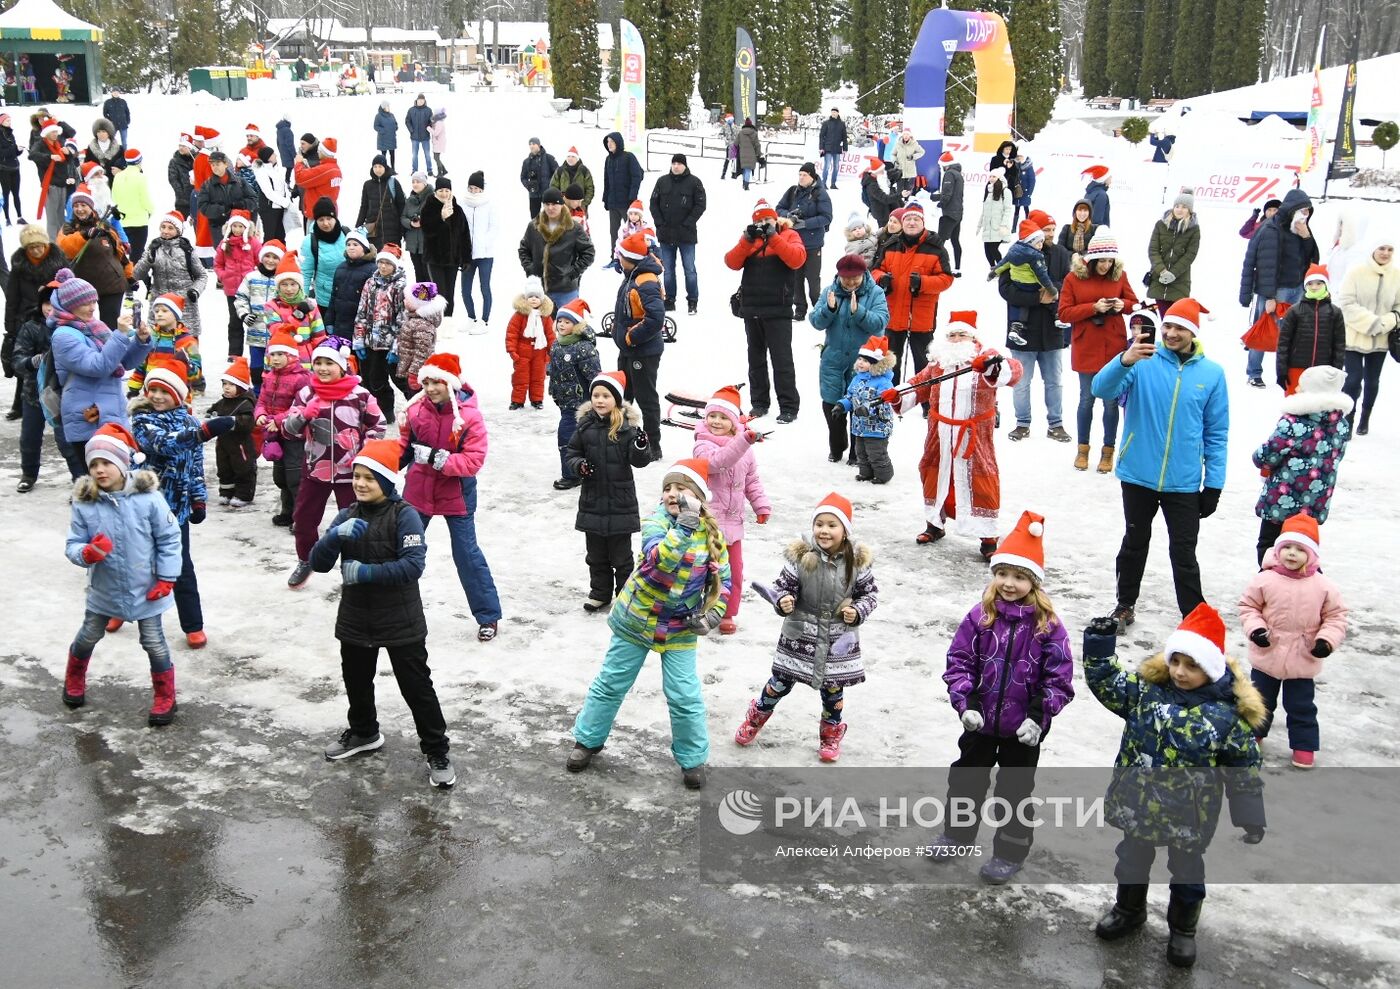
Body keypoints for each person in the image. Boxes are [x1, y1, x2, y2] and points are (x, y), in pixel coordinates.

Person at [1083, 605, 1265, 970]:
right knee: (1132, 859)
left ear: (1211, 669)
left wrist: (1250, 816)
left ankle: (1183, 930)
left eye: (1192, 666)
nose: (1180, 672)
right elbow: (1106, 682)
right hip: (1138, 804)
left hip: (1189, 815)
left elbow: (1243, 769)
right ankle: (1128, 910)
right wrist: (1100, 643)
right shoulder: (1145, 694)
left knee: (1186, 871)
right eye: (1176, 661)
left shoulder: (1226, 717)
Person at [568, 458, 730, 789]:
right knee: (611, 682)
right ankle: (587, 740)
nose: (672, 493)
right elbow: (659, 562)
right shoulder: (656, 524)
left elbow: (723, 581)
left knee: (684, 694)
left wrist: (714, 612)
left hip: (680, 627)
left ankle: (693, 759)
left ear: (699, 496)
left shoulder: (713, 536)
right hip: (637, 619)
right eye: (667, 488)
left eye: (681, 488)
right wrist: (683, 526)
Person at [929, 511, 1074, 882]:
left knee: (1015, 792)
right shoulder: (980, 616)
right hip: (979, 722)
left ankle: (1010, 852)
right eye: (1002, 573)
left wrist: (1038, 717)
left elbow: (1059, 679)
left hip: (1022, 729)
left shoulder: (1049, 627)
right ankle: (956, 835)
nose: (1009, 583)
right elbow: (959, 662)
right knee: (965, 781)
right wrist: (965, 703)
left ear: (1034, 581)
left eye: (1019, 576)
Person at [310, 439, 456, 788]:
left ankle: (437, 750)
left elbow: (412, 566)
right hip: (356, 618)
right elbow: (318, 563)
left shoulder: (404, 515)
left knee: (417, 687)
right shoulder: (347, 515)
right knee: (357, 681)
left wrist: (366, 572)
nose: (360, 484)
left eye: (370, 478)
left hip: (400, 619)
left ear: (387, 482)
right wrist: (333, 538)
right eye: (357, 476)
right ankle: (364, 732)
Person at [1091, 298, 1228, 631]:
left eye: (1180, 327)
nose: (1171, 333)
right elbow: (1100, 388)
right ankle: (1124, 605)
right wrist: (1124, 360)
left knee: (1184, 550)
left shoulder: (1211, 374)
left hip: (1183, 481)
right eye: (1167, 325)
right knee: (1134, 543)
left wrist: (1213, 484)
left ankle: (1194, 614)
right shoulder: (1141, 361)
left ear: (1193, 333)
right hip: (1138, 474)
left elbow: (1216, 431)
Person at [735, 491, 876, 762]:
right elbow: (782, 587)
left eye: (832, 525)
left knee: (833, 691)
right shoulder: (801, 557)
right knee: (779, 683)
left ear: (844, 531)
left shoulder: (856, 563)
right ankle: (756, 717)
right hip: (801, 635)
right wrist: (784, 601)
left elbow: (869, 596)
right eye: (819, 524)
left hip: (837, 639)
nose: (824, 530)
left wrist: (857, 612)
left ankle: (831, 734)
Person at [63, 423, 183, 724]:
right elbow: (73, 543)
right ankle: (74, 677)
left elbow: (169, 538)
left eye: (107, 463)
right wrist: (86, 553)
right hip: (105, 588)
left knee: (154, 643)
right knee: (89, 634)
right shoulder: (85, 502)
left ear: (123, 463)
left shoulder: (148, 498)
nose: (100, 470)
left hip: (147, 587)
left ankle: (165, 696)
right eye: (94, 464)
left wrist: (166, 578)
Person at [880, 312, 1021, 557]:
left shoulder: (985, 360)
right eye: (951, 335)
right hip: (940, 432)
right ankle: (934, 524)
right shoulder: (938, 363)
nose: (956, 339)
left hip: (973, 435)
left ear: (972, 337)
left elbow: (1013, 372)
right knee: (934, 473)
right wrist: (898, 394)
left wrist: (991, 365)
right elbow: (919, 384)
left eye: (962, 334)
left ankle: (988, 537)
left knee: (981, 479)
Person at [130, 358, 234, 650]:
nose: (158, 396)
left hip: (176, 513)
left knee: (181, 567)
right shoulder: (142, 421)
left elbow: (195, 466)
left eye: (165, 391)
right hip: (144, 508)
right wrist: (202, 432)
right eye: (153, 390)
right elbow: (163, 443)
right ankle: (121, 609)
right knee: (139, 564)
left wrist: (199, 498)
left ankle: (193, 625)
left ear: (178, 394)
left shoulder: (189, 421)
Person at [398, 353, 503, 643]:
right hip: (418, 491)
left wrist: (438, 459)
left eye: (437, 382)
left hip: (456, 494)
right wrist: (382, 464)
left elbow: (473, 461)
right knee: (403, 550)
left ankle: (488, 615)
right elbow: (403, 447)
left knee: (466, 554)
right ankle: (392, 610)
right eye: (427, 382)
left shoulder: (469, 416)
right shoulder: (415, 409)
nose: (431, 388)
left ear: (451, 383)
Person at [1238, 514, 1349, 770]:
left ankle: (1304, 745)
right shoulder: (1264, 579)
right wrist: (1256, 629)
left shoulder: (1324, 586)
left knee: (1301, 705)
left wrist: (1325, 641)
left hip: (1303, 656)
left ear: (1312, 554)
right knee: (1259, 701)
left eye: (1300, 549)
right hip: (1268, 652)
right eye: (1286, 547)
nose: (1291, 553)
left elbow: (1336, 617)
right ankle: (1253, 735)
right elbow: (1248, 607)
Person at [281, 337, 386, 588]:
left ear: (342, 366)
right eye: (318, 363)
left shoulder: (360, 395)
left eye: (329, 362)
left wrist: (363, 453)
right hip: (315, 468)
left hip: (351, 472)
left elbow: (378, 425)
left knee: (355, 523)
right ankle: (305, 560)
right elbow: (288, 431)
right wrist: (304, 417)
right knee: (304, 519)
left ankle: (354, 566)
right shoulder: (306, 393)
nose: (323, 368)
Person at [566, 370, 653, 610]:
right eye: (596, 395)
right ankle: (600, 593)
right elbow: (571, 454)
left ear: (616, 399)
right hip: (592, 502)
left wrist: (641, 446)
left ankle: (625, 597)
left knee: (621, 558)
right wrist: (579, 466)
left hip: (620, 503)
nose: (600, 400)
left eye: (606, 395)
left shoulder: (627, 429)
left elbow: (640, 461)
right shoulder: (585, 427)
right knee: (595, 556)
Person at [1251, 364, 1352, 565]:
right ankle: (1306, 589)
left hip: (1282, 500)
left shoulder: (1294, 422)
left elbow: (1267, 455)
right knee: (1304, 550)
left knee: (1269, 546)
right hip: (1315, 503)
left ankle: (1270, 588)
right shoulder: (1341, 424)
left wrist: (1258, 457)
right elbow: (1337, 456)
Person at [690, 385, 771, 634]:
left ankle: (727, 612)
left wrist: (760, 505)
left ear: (734, 421)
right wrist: (744, 441)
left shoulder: (745, 451)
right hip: (708, 526)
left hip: (733, 526)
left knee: (734, 573)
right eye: (712, 416)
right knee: (700, 571)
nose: (716, 421)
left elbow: (752, 481)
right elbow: (716, 463)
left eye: (723, 417)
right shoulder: (702, 445)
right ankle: (696, 609)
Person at [1059, 227, 1138, 473]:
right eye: (1101, 260)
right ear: (1091, 259)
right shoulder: (1073, 278)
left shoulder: (1120, 275)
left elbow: (1134, 304)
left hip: (1113, 346)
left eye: (1109, 260)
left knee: (1111, 402)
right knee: (1086, 399)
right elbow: (1064, 313)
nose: (1105, 265)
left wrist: (1120, 304)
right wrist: (1093, 308)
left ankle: (1108, 451)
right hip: (1086, 345)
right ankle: (1083, 449)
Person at [50, 268, 152, 447]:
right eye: (85, 303)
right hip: (89, 418)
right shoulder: (63, 336)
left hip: (111, 413)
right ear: (70, 305)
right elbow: (99, 366)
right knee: (96, 474)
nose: (92, 307)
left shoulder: (95, 327)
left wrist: (141, 341)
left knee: (118, 474)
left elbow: (122, 363)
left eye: (93, 302)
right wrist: (119, 334)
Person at [725, 199, 807, 423]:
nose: (763, 223)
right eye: (759, 220)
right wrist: (746, 240)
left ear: (775, 219)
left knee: (782, 360)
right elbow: (731, 262)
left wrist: (774, 237)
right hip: (752, 307)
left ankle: (789, 406)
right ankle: (759, 402)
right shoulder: (750, 240)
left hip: (778, 308)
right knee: (756, 358)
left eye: (767, 219)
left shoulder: (788, 235)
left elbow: (797, 259)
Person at [999, 212, 1072, 442]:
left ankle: (1056, 423)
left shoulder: (1061, 253)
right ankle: (1022, 423)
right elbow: (1005, 289)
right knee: (1021, 381)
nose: (1050, 234)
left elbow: (1070, 283)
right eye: (1046, 230)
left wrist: (1052, 291)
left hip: (1052, 328)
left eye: (1052, 229)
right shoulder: (1016, 253)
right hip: (1022, 328)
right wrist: (1035, 298)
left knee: (1054, 381)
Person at [811, 253, 889, 462]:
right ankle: (837, 447)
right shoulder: (830, 291)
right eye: (847, 279)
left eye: (856, 278)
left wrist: (859, 312)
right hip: (833, 358)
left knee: (860, 405)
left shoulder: (876, 293)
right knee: (831, 403)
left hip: (864, 361)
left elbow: (880, 322)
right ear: (839, 276)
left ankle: (858, 451)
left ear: (864, 274)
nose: (851, 282)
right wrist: (829, 309)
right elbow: (816, 321)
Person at [1238, 188, 1318, 388]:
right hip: (1275, 290)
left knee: (1290, 333)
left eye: (1308, 212)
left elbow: (1313, 260)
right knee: (1264, 330)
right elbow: (1266, 265)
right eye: (1302, 211)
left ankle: (1287, 372)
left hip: (1297, 287)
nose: (1305, 215)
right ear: (1292, 209)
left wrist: (1307, 237)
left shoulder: (1300, 228)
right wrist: (1269, 296)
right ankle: (1254, 372)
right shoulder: (1271, 229)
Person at [871, 201, 955, 388]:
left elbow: (946, 278)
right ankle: (889, 396)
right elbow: (875, 271)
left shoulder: (935, 247)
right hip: (893, 314)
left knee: (923, 362)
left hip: (921, 317)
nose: (911, 223)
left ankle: (926, 401)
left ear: (923, 222)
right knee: (890, 360)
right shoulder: (891, 244)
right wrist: (882, 279)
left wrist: (923, 283)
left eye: (916, 219)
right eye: (908, 219)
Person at [13, 282, 75, 489]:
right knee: (30, 437)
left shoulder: (72, 327)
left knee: (67, 440)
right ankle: (28, 474)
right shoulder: (30, 327)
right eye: (46, 303)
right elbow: (18, 361)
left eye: (55, 303)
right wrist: (32, 362)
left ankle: (79, 477)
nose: (50, 308)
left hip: (64, 395)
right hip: (34, 393)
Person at [1336, 233, 1397, 435]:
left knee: (1372, 381)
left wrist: (1384, 323)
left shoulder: (1397, 275)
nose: (1385, 253)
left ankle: (1365, 418)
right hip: (1354, 336)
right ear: (1373, 250)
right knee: (1353, 379)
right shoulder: (1357, 272)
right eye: (1382, 248)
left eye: (1390, 249)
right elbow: (1346, 302)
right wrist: (1371, 322)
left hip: (1381, 339)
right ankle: (1348, 420)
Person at [613, 229, 666, 451]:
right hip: (629, 350)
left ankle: (653, 444)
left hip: (642, 351)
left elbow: (655, 319)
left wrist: (631, 337)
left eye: (620, 256)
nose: (618, 259)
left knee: (646, 398)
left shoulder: (645, 281)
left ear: (630, 259)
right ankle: (622, 435)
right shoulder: (632, 275)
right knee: (623, 394)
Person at [5, 224, 64, 422]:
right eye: (32, 247)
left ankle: (58, 405)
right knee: (26, 365)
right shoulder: (19, 266)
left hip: (53, 317)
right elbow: (12, 297)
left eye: (40, 246)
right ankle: (19, 405)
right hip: (26, 321)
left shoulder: (57, 263)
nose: (37, 250)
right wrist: (10, 326)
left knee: (55, 364)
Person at [253, 332, 312, 526]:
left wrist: (278, 420)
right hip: (274, 433)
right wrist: (260, 414)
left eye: (280, 354)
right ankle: (287, 511)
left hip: (294, 433)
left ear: (292, 356)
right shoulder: (269, 376)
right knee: (281, 476)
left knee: (295, 476)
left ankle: (301, 517)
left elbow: (301, 407)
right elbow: (261, 400)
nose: (275, 359)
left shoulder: (301, 378)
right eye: (272, 354)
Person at [55, 186, 133, 328]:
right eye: (76, 206)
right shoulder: (68, 228)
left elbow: (120, 253)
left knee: (109, 326)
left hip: (111, 284)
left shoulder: (104, 226)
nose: (79, 209)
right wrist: (84, 235)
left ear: (91, 207)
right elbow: (64, 247)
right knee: (83, 326)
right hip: (82, 288)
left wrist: (129, 276)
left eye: (83, 205)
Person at [546, 298, 601, 490]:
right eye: (560, 321)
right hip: (563, 400)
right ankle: (586, 469)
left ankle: (571, 475)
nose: (562, 324)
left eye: (567, 322)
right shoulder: (557, 344)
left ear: (577, 325)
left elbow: (594, 376)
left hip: (579, 402)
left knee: (566, 437)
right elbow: (554, 368)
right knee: (582, 437)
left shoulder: (584, 348)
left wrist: (596, 399)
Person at [352, 242, 408, 418]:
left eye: (388, 263)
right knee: (370, 378)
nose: (383, 267)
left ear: (395, 265)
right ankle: (378, 411)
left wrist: (397, 346)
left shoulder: (400, 286)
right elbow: (361, 312)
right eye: (381, 262)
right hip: (370, 341)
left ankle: (398, 409)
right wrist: (359, 339)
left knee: (394, 379)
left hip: (389, 343)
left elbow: (403, 319)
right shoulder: (371, 283)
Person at [518, 186, 593, 312]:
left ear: (562, 204)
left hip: (566, 290)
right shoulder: (533, 226)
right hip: (540, 290)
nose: (550, 208)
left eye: (554, 204)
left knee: (570, 327)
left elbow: (589, 252)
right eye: (547, 204)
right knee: (543, 329)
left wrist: (572, 273)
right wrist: (530, 269)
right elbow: (524, 250)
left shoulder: (574, 228)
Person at [133, 209, 207, 338]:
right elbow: (136, 275)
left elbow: (202, 275)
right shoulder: (153, 248)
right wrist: (147, 260)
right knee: (158, 350)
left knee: (186, 348)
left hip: (185, 306)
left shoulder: (187, 250)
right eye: (163, 227)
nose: (165, 231)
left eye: (170, 228)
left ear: (178, 231)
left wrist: (195, 291)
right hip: (160, 306)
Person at [1275, 263, 1346, 395]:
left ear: (1326, 285)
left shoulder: (1335, 312)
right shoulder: (1294, 311)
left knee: (1319, 410)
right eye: (1310, 283)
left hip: (1323, 371)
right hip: (1296, 369)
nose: (1314, 287)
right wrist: (1281, 370)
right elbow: (1283, 342)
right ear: (1305, 285)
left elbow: (1339, 345)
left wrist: (1337, 371)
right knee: (1295, 408)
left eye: (1319, 283)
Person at [649, 153, 707, 315]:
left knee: (689, 269)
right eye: (674, 163)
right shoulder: (662, 181)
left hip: (686, 235)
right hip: (666, 234)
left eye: (679, 163)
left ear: (685, 165)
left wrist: (688, 222)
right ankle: (670, 299)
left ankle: (692, 300)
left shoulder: (694, 182)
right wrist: (659, 222)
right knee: (668, 270)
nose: (676, 166)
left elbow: (700, 205)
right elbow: (653, 203)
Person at [836, 335, 897, 484]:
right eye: (860, 359)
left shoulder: (884, 382)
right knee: (861, 452)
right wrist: (842, 405)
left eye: (866, 361)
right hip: (859, 425)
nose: (861, 363)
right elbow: (851, 396)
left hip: (877, 426)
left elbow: (884, 402)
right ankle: (866, 473)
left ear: (876, 364)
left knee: (876, 452)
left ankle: (883, 475)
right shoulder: (858, 378)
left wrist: (868, 409)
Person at [775, 162, 833, 320]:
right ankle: (800, 308)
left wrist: (806, 223)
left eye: (804, 175)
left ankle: (819, 308)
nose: (801, 178)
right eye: (799, 174)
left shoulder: (820, 194)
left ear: (812, 176)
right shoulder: (792, 191)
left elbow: (827, 217)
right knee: (795, 278)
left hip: (813, 244)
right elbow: (778, 208)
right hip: (794, 243)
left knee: (813, 280)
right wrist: (789, 215)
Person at [126, 292, 203, 399]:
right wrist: (133, 389)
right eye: (156, 311)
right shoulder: (150, 337)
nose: (159, 314)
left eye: (165, 311)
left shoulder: (188, 341)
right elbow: (141, 364)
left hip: (178, 397)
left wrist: (186, 363)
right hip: (152, 395)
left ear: (176, 314)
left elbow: (196, 374)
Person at [234, 239, 284, 389]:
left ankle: (274, 395)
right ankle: (257, 393)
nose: (271, 260)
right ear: (262, 257)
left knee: (275, 367)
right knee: (256, 368)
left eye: (275, 258)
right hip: (255, 332)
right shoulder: (251, 277)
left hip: (277, 335)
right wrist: (244, 314)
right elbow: (241, 297)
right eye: (267, 256)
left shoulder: (282, 280)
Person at [263, 251, 326, 368]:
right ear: (278, 286)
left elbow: (319, 335)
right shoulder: (271, 306)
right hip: (279, 361)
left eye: (293, 284)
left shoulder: (310, 305)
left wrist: (320, 358)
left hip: (305, 361)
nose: (289, 289)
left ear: (299, 285)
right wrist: (298, 315)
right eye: (284, 284)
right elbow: (278, 332)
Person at [212, 211, 261, 359]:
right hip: (232, 290)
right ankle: (234, 352)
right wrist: (223, 276)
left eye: (240, 226)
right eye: (235, 226)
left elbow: (260, 260)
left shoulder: (253, 243)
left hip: (251, 290)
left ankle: (258, 350)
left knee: (255, 320)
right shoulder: (224, 244)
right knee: (235, 321)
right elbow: (218, 264)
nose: (237, 230)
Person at [421, 177, 470, 319]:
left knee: (450, 292)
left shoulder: (458, 210)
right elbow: (427, 230)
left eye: (447, 190)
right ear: (436, 191)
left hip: (452, 260)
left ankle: (448, 320)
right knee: (439, 292)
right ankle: (438, 320)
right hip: (435, 258)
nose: (444, 193)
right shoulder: (429, 208)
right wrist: (441, 218)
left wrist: (466, 258)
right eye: (441, 190)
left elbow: (464, 236)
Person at [1147, 189, 1201, 317]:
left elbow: (1190, 254)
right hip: (1158, 279)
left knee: (1175, 319)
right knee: (1163, 319)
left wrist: (1173, 273)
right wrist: (1162, 271)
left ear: (1190, 210)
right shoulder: (1160, 225)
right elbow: (1153, 250)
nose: (1179, 209)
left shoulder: (1194, 229)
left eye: (1184, 207)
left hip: (1180, 281)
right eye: (1177, 206)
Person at [505, 275, 554, 410]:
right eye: (531, 297)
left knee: (538, 377)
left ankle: (537, 399)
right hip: (522, 351)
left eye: (537, 297)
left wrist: (552, 352)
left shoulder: (545, 317)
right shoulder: (519, 315)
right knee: (520, 377)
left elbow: (550, 335)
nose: (534, 299)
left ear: (542, 300)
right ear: (525, 299)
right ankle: (517, 400)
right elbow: (512, 333)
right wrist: (512, 350)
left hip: (540, 351)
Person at [197, 150, 257, 248]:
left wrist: (240, 205)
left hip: (240, 228)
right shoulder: (207, 185)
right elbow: (203, 207)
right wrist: (222, 209)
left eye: (218, 164)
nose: (215, 167)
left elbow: (253, 200)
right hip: (219, 229)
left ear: (225, 164)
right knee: (224, 257)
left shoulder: (240, 181)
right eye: (212, 165)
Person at [29, 115, 77, 240]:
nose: (56, 134)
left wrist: (69, 154)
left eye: (56, 131)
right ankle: (53, 244)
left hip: (62, 184)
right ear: (47, 132)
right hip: (50, 185)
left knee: (61, 217)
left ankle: (62, 242)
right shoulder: (40, 144)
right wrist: (49, 157)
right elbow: (32, 155)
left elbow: (68, 160)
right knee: (52, 219)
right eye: (53, 131)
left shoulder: (59, 144)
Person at [328, 227, 376, 350]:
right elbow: (333, 297)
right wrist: (329, 320)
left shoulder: (372, 270)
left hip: (358, 328)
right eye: (348, 244)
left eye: (355, 244)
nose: (351, 247)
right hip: (339, 324)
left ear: (364, 248)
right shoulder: (340, 268)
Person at [460, 170, 496, 330]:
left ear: (482, 189)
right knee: (465, 289)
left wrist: (483, 243)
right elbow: (459, 227)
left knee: (484, 287)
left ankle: (484, 320)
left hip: (485, 254)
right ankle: (471, 318)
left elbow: (494, 227)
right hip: (467, 254)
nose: (474, 191)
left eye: (477, 188)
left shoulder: (489, 204)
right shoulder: (462, 204)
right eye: (471, 188)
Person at [301, 197, 348, 319]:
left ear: (335, 218)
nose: (326, 223)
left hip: (349, 296)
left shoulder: (347, 233)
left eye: (329, 218)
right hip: (325, 298)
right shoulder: (310, 241)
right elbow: (306, 273)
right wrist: (302, 299)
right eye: (321, 219)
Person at [395, 280, 443, 396]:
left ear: (417, 303)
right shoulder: (414, 319)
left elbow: (422, 352)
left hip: (418, 374)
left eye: (407, 299)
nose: (404, 301)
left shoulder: (422, 325)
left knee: (418, 399)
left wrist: (414, 374)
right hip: (410, 368)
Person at [601, 131, 643, 250]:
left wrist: (632, 196)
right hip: (613, 202)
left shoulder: (628, 157)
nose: (609, 144)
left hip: (627, 203)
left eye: (612, 142)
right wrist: (605, 199)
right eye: (608, 142)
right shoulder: (608, 159)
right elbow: (606, 180)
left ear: (618, 143)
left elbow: (637, 176)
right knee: (613, 232)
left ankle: (633, 255)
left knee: (631, 231)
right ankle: (615, 257)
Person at [355, 155, 405, 251]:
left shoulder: (393, 183)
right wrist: (358, 227)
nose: (377, 169)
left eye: (380, 167)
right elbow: (364, 207)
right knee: (375, 261)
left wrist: (403, 230)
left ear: (385, 167)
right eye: (375, 167)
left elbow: (401, 206)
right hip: (373, 231)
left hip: (392, 231)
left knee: (392, 261)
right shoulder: (367, 185)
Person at [111, 148, 152, 259]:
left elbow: (114, 197)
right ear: (139, 161)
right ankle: (137, 275)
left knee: (122, 253)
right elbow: (145, 199)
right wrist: (150, 210)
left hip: (122, 221)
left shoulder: (118, 177)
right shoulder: (141, 177)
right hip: (139, 221)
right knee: (137, 254)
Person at [293, 137, 343, 225]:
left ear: (324, 152)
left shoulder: (325, 169)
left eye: (320, 150)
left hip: (318, 217)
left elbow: (300, 179)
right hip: (328, 214)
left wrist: (298, 163)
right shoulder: (335, 169)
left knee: (313, 239)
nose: (318, 152)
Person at [931, 151, 964, 275]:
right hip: (958, 213)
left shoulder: (949, 174)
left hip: (949, 213)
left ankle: (938, 267)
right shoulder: (958, 174)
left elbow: (947, 194)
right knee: (955, 241)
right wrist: (935, 197)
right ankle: (957, 268)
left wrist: (940, 203)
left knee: (939, 242)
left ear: (945, 165)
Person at [251, 147, 291, 245]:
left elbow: (282, 187)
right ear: (268, 157)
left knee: (280, 235)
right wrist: (285, 202)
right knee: (270, 236)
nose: (276, 156)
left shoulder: (275, 169)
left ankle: (281, 257)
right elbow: (268, 192)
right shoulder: (261, 171)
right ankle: (266, 257)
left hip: (279, 207)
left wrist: (287, 198)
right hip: (269, 209)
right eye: (273, 154)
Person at [401, 171, 432, 284]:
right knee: (418, 273)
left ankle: (431, 299)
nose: (415, 184)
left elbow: (435, 218)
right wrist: (411, 223)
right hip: (413, 243)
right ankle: (420, 299)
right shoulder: (410, 200)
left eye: (418, 181)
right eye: (413, 182)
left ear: (424, 183)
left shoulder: (432, 198)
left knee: (428, 274)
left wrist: (423, 221)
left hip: (427, 243)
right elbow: (403, 217)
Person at [976, 178, 1013, 268]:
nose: (991, 178)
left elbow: (1008, 210)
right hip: (987, 226)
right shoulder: (988, 191)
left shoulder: (1006, 191)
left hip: (998, 226)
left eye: (994, 176)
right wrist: (979, 225)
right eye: (990, 176)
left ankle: (1001, 269)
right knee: (987, 250)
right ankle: (993, 268)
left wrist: (1003, 225)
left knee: (993, 249)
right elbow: (984, 211)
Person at [519, 136, 557, 219]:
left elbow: (557, 174)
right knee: (534, 219)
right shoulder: (526, 161)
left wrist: (552, 187)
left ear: (539, 145)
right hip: (534, 195)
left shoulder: (549, 158)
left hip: (548, 194)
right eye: (530, 144)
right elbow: (523, 177)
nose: (531, 146)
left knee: (550, 217)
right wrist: (529, 185)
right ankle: (536, 232)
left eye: (534, 144)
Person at [860, 158, 902, 228]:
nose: (884, 172)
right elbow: (885, 199)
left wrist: (899, 169)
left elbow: (892, 175)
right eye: (881, 171)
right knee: (885, 233)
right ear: (876, 172)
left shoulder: (881, 178)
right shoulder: (872, 186)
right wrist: (901, 195)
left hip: (889, 210)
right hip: (882, 214)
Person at [0, 112, 25, 226]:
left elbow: (13, 152)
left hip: (15, 167)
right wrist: (13, 148)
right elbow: (2, 153)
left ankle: (19, 216)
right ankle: (7, 218)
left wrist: (19, 150)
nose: (9, 122)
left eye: (10, 120)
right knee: (6, 194)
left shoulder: (11, 134)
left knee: (16, 194)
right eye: (7, 121)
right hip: (4, 169)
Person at [818, 108, 848, 189]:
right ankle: (823, 183)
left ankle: (833, 184)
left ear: (838, 113)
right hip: (827, 148)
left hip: (837, 148)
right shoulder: (826, 123)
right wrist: (821, 147)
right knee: (827, 166)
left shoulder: (842, 124)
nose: (833, 113)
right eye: (832, 112)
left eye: (835, 112)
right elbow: (821, 136)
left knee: (836, 167)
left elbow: (844, 137)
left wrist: (845, 148)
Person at [404, 95, 433, 176]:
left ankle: (430, 170)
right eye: (419, 100)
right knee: (414, 155)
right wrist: (411, 130)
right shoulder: (411, 110)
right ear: (416, 100)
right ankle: (414, 170)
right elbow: (407, 121)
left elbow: (432, 121)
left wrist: (429, 128)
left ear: (424, 101)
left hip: (425, 137)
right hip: (415, 137)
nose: (420, 101)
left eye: (422, 100)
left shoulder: (428, 110)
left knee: (427, 154)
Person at [891, 129, 924, 194]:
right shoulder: (898, 144)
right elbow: (893, 154)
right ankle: (900, 203)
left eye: (907, 134)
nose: (906, 136)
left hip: (910, 172)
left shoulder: (914, 144)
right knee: (899, 192)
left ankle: (907, 202)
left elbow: (922, 152)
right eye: (904, 134)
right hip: (900, 172)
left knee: (908, 191)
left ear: (910, 135)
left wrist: (913, 156)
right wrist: (895, 161)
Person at [736, 118, 762, 191]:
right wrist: (759, 153)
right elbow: (757, 145)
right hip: (751, 154)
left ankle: (744, 183)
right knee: (748, 169)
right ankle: (746, 185)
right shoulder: (754, 133)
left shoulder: (740, 133)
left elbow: (736, 143)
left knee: (744, 169)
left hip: (742, 153)